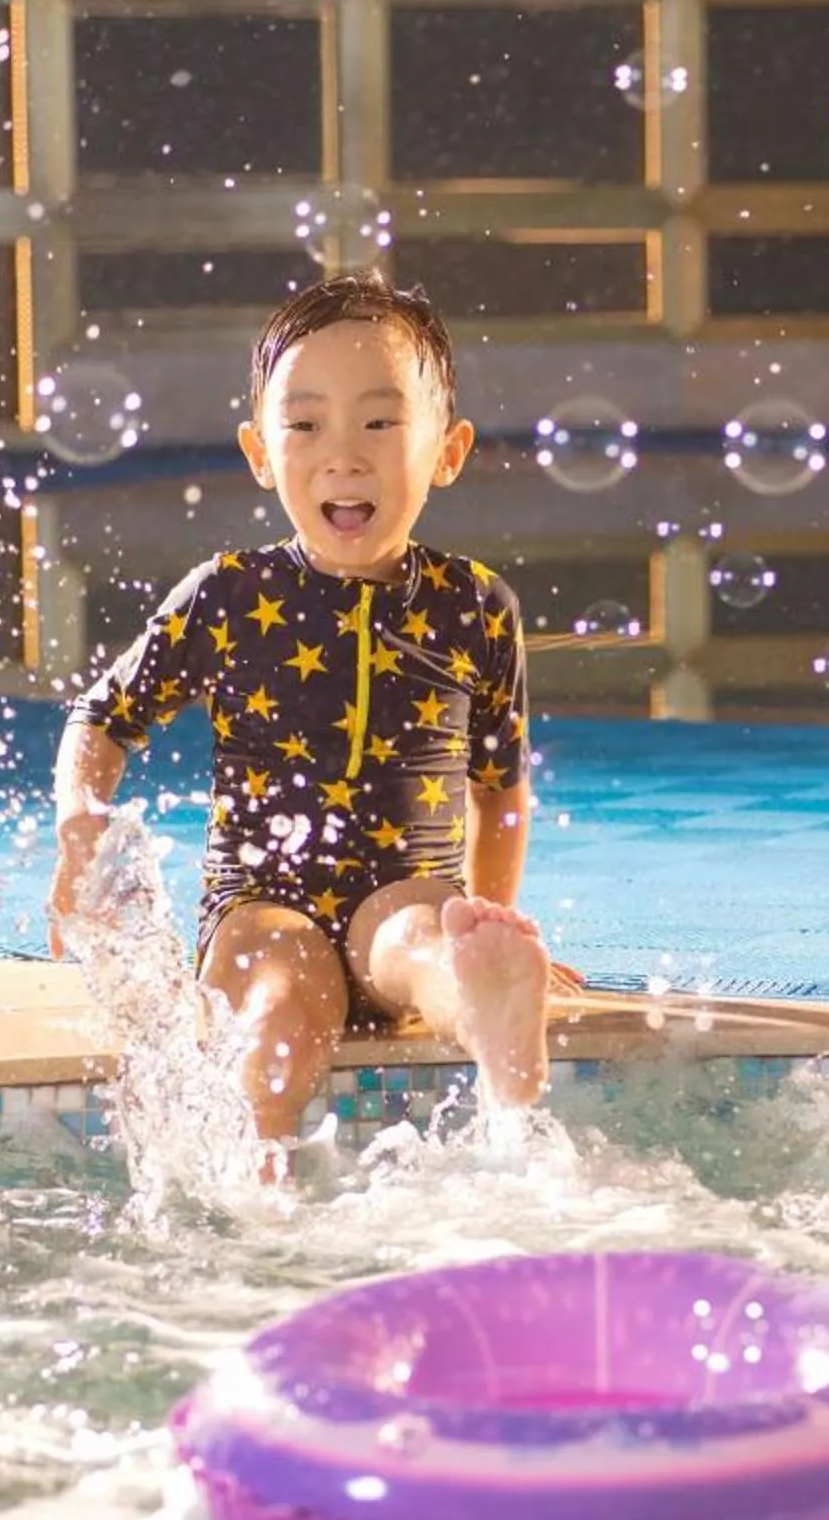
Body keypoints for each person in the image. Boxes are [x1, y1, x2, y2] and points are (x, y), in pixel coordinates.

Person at [47, 275, 552, 1166]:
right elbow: (103, 718)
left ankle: (487, 998)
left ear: (450, 450)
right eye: (306, 423)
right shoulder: (229, 594)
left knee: (420, 944)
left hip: (408, 887)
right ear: (258, 451)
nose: (343, 456)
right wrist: (80, 829)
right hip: (260, 903)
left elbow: (499, 791)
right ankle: (262, 1172)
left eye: (381, 422)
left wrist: (489, 920)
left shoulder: (473, 605)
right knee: (279, 997)